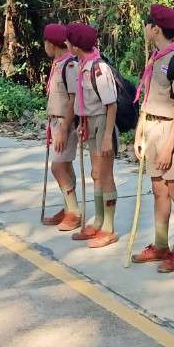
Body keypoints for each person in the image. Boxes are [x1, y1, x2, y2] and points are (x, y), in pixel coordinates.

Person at [131, 4, 174, 273]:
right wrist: (140, 132)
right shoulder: (155, 58)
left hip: (171, 131)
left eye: (147, 25)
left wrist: (169, 147)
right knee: (159, 189)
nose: (145, 29)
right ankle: (160, 244)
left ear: (155, 29)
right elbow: (147, 99)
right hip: (152, 128)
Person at [67, 22, 121, 249]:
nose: (67, 44)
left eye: (69, 41)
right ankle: (98, 220)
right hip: (90, 124)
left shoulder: (99, 68)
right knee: (96, 174)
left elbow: (111, 104)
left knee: (106, 175)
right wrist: (82, 123)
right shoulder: (82, 66)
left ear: (76, 46)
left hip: (102, 124)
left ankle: (109, 227)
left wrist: (107, 135)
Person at [41, 22, 81, 230]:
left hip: (66, 123)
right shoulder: (58, 63)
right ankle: (68, 208)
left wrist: (64, 129)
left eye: (45, 42)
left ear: (51, 43)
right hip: (56, 122)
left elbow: (74, 99)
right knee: (65, 166)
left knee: (57, 167)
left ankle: (74, 211)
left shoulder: (69, 65)